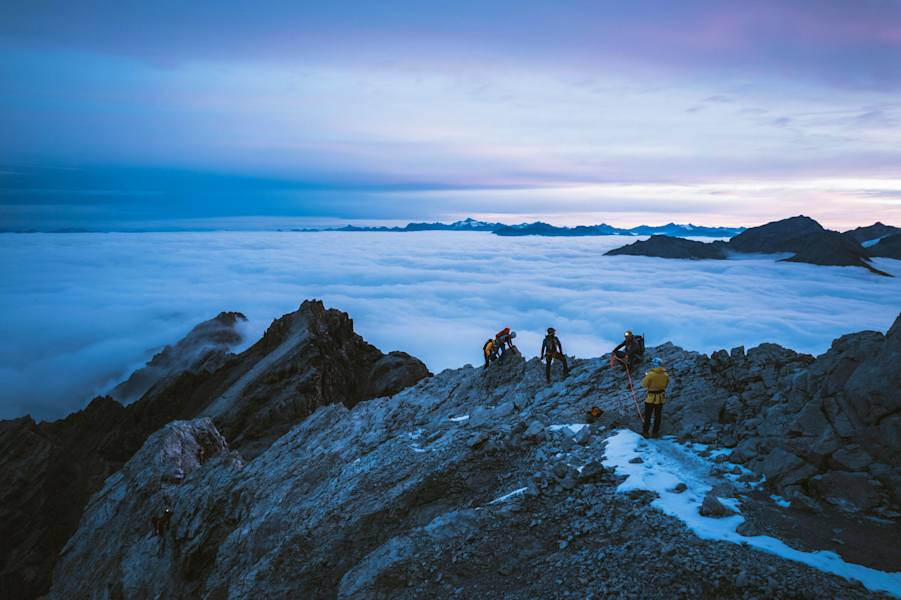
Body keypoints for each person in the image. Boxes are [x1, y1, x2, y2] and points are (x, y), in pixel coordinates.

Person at [640, 357, 669, 438]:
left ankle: (645, 432)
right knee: (658, 415)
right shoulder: (665, 374)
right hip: (660, 398)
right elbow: (666, 385)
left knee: (648, 415)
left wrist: (646, 377)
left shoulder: (650, 374)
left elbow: (644, 385)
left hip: (651, 398)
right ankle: (655, 432)